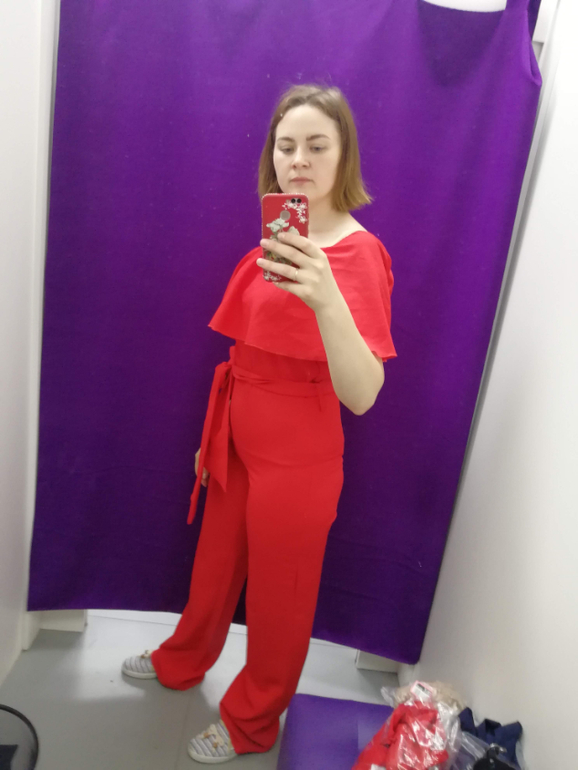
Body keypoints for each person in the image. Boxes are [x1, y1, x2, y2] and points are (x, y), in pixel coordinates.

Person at [121, 83, 397, 764]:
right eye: (286, 145)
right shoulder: (280, 236)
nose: (298, 159)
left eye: (317, 146)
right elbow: (248, 348)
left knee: (281, 599)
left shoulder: (358, 255)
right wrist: (213, 437)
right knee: (213, 567)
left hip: (300, 455)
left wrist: (327, 298)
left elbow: (364, 394)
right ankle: (184, 659)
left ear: (344, 155)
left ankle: (252, 722)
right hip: (238, 433)